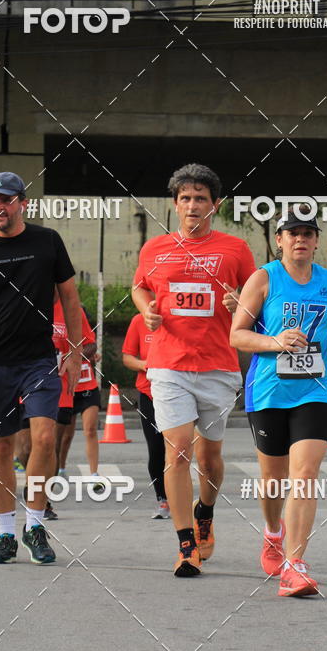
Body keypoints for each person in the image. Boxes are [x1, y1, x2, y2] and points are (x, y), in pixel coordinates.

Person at [132, 163, 256, 577]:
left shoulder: (235, 249)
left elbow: (257, 299)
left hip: (219, 365)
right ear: (175, 205)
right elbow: (140, 285)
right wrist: (146, 309)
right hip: (168, 364)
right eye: (185, 198)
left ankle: (206, 511)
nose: (192, 205)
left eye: (200, 198)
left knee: (211, 455)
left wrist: (240, 304)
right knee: (179, 448)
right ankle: (186, 544)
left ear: (214, 205)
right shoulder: (155, 249)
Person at [230, 206, 327, 597]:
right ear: (280, 240)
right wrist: (274, 342)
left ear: (317, 241)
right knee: (273, 481)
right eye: (293, 232)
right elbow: (237, 335)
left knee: (303, 475)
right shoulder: (264, 278)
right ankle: (273, 534)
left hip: (315, 389)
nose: (300, 238)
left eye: (308, 232)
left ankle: (294, 564)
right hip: (269, 390)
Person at [0, 171, 83, 565]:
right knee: (1, 446)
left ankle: (35, 525)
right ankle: (6, 534)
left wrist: (74, 352)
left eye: (6, 200)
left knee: (44, 439)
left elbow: (70, 297)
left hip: (39, 359)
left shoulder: (47, 241)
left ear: (23, 203)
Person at [122, 312, 169, 519]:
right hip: (148, 393)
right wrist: (144, 365)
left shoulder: (180, 316)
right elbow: (127, 357)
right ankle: (163, 499)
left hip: (177, 392)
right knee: (156, 447)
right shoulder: (139, 321)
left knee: (178, 449)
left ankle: (180, 499)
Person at [53, 297, 102, 488]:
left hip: (87, 384)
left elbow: (91, 346)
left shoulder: (85, 336)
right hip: (68, 387)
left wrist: (82, 356)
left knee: (90, 429)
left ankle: (94, 473)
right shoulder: (60, 336)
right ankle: (61, 469)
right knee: (65, 435)